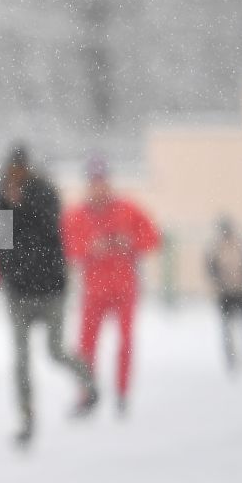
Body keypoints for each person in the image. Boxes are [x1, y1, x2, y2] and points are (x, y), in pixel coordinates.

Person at [0, 143, 95, 447]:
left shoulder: (43, 194)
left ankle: (89, 382)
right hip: (18, 294)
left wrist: (24, 206)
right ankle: (26, 418)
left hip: (50, 291)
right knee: (21, 361)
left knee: (55, 351)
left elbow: (48, 235)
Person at [62, 155, 161, 415]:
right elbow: (67, 248)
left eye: (102, 181)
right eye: (94, 182)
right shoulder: (77, 215)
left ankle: (122, 393)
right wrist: (90, 247)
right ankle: (87, 393)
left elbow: (153, 237)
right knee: (86, 344)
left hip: (124, 288)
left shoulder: (128, 209)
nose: (99, 188)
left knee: (126, 341)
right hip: (94, 292)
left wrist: (130, 242)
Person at [207, 215, 242, 378]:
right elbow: (211, 269)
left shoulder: (241, 246)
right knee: (228, 330)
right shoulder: (217, 248)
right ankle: (232, 362)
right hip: (226, 293)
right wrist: (220, 285)